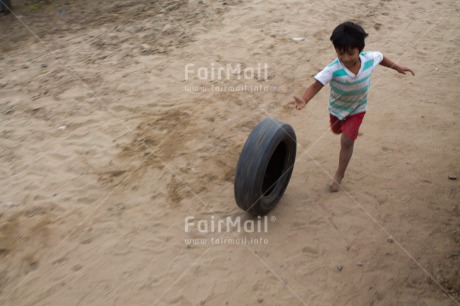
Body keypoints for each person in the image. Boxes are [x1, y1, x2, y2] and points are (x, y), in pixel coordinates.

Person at [290, 21, 414, 192]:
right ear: (336, 50)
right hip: (336, 109)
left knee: (346, 141)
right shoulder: (333, 69)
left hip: (358, 109)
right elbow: (316, 85)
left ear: (360, 50)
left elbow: (381, 57)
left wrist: (397, 67)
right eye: (341, 53)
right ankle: (347, 130)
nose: (346, 58)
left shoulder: (369, 59)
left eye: (351, 53)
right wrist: (304, 99)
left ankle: (339, 174)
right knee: (336, 130)